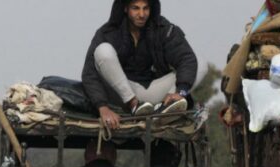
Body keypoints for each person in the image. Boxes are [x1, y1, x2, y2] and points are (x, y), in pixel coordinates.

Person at [82, 0, 198, 131]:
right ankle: (133, 105)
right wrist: (102, 108)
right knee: (103, 51)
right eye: (136, 8)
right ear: (126, 8)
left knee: (200, 65)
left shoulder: (162, 28)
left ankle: (165, 110)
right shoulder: (108, 32)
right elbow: (89, 74)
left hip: (152, 91)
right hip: (122, 95)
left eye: (146, 8)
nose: (142, 14)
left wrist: (181, 92)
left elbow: (186, 58)